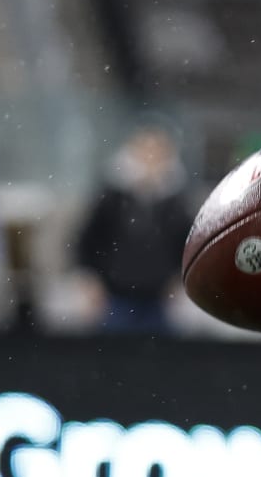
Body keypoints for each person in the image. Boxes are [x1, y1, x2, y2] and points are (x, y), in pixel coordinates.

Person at [73, 122, 196, 334]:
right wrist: (91, 280)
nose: (151, 159)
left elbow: (187, 244)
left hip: (158, 299)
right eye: (146, 151)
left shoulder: (176, 202)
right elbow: (88, 240)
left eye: (157, 153)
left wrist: (179, 279)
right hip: (116, 296)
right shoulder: (112, 197)